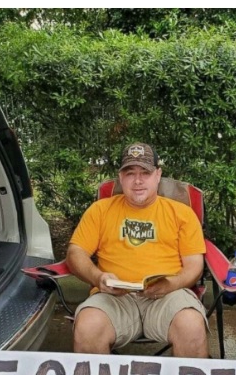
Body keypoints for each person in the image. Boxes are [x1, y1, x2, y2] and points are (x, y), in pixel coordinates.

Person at [66, 142, 209, 357]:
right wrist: (98, 277)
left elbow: (194, 265)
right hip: (114, 297)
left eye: (145, 172)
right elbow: (75, 253)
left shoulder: (181, 213)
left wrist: (172, 284)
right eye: (130, 173)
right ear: (121, 178)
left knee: (191, 326)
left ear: (158, 175)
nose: (138, 180)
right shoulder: (100, 210)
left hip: (169, 296)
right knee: (88, 326)